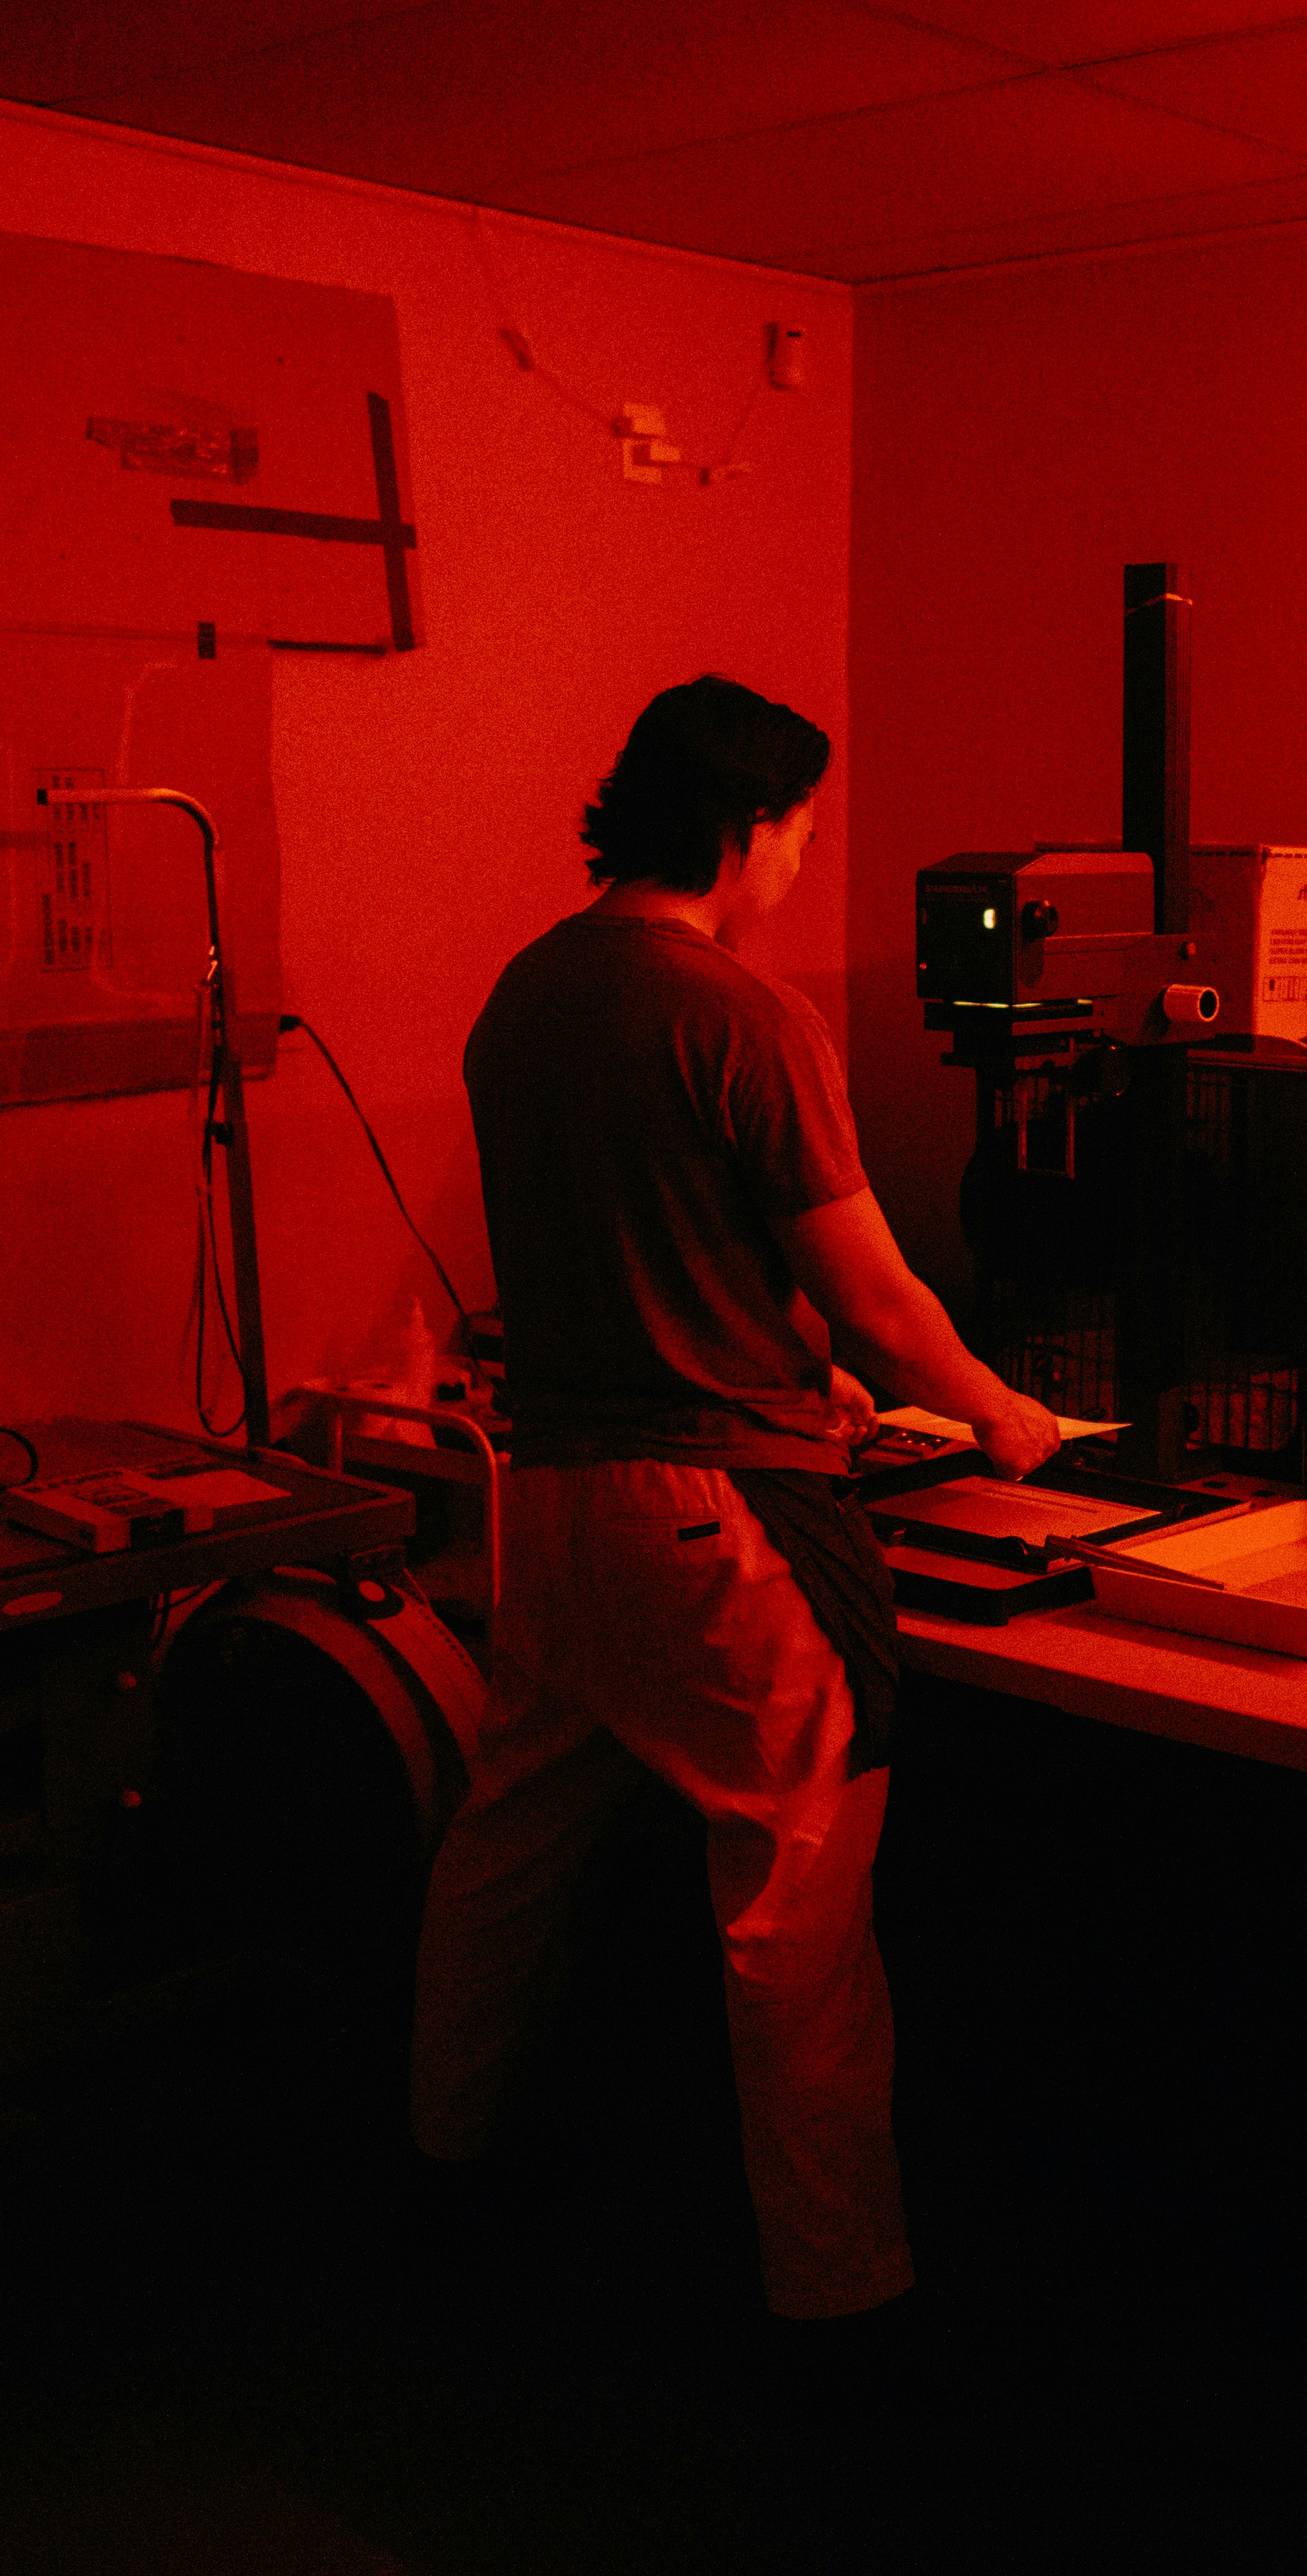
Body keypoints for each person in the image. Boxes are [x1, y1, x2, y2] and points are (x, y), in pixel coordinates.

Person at [414, 673, 1059, 2330]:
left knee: (506, 1853)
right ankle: (843, 2294)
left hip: (557, 1500)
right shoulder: (742, 1017)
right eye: (803, 833)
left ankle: (443, 2159)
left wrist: (784, 1359)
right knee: (797, 1913)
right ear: (748, 826)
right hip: (721, 1519)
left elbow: (643, 1246)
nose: (801, 863)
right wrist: (1002, 1414)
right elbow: (878, 1297)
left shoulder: (525, 997)